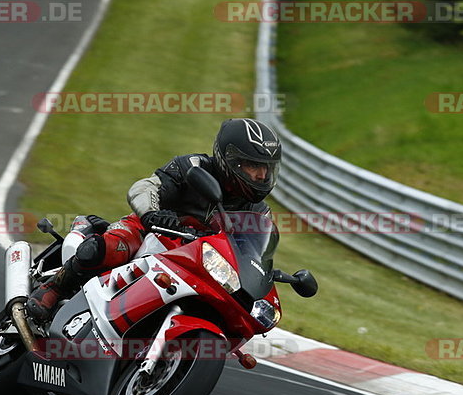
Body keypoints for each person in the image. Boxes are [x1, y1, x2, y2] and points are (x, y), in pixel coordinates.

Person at [25, 118, 282, 323]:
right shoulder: (193, 166)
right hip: (153, 231)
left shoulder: (259, 212)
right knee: (105, 249)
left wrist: (261, 272)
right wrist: (152, 213)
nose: (261, 175)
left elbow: (254, 250)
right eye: (253, 166)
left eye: (267, 169)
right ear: (231, 161)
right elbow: (146, 187)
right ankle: (53, 289)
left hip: (198, 259)